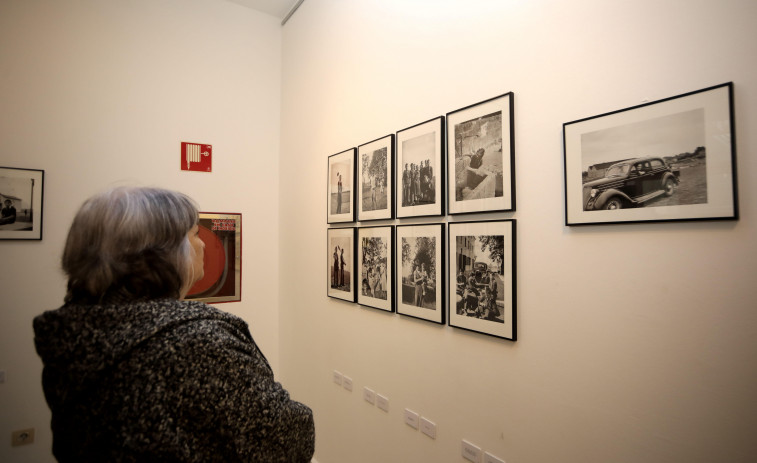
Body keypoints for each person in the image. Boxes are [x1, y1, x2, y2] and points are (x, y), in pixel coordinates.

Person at [33, 187, 314, 462]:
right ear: (162, 254)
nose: (203, 243)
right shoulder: (200, 341)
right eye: (194, 235)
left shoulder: (71, 333)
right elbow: (287, 441)